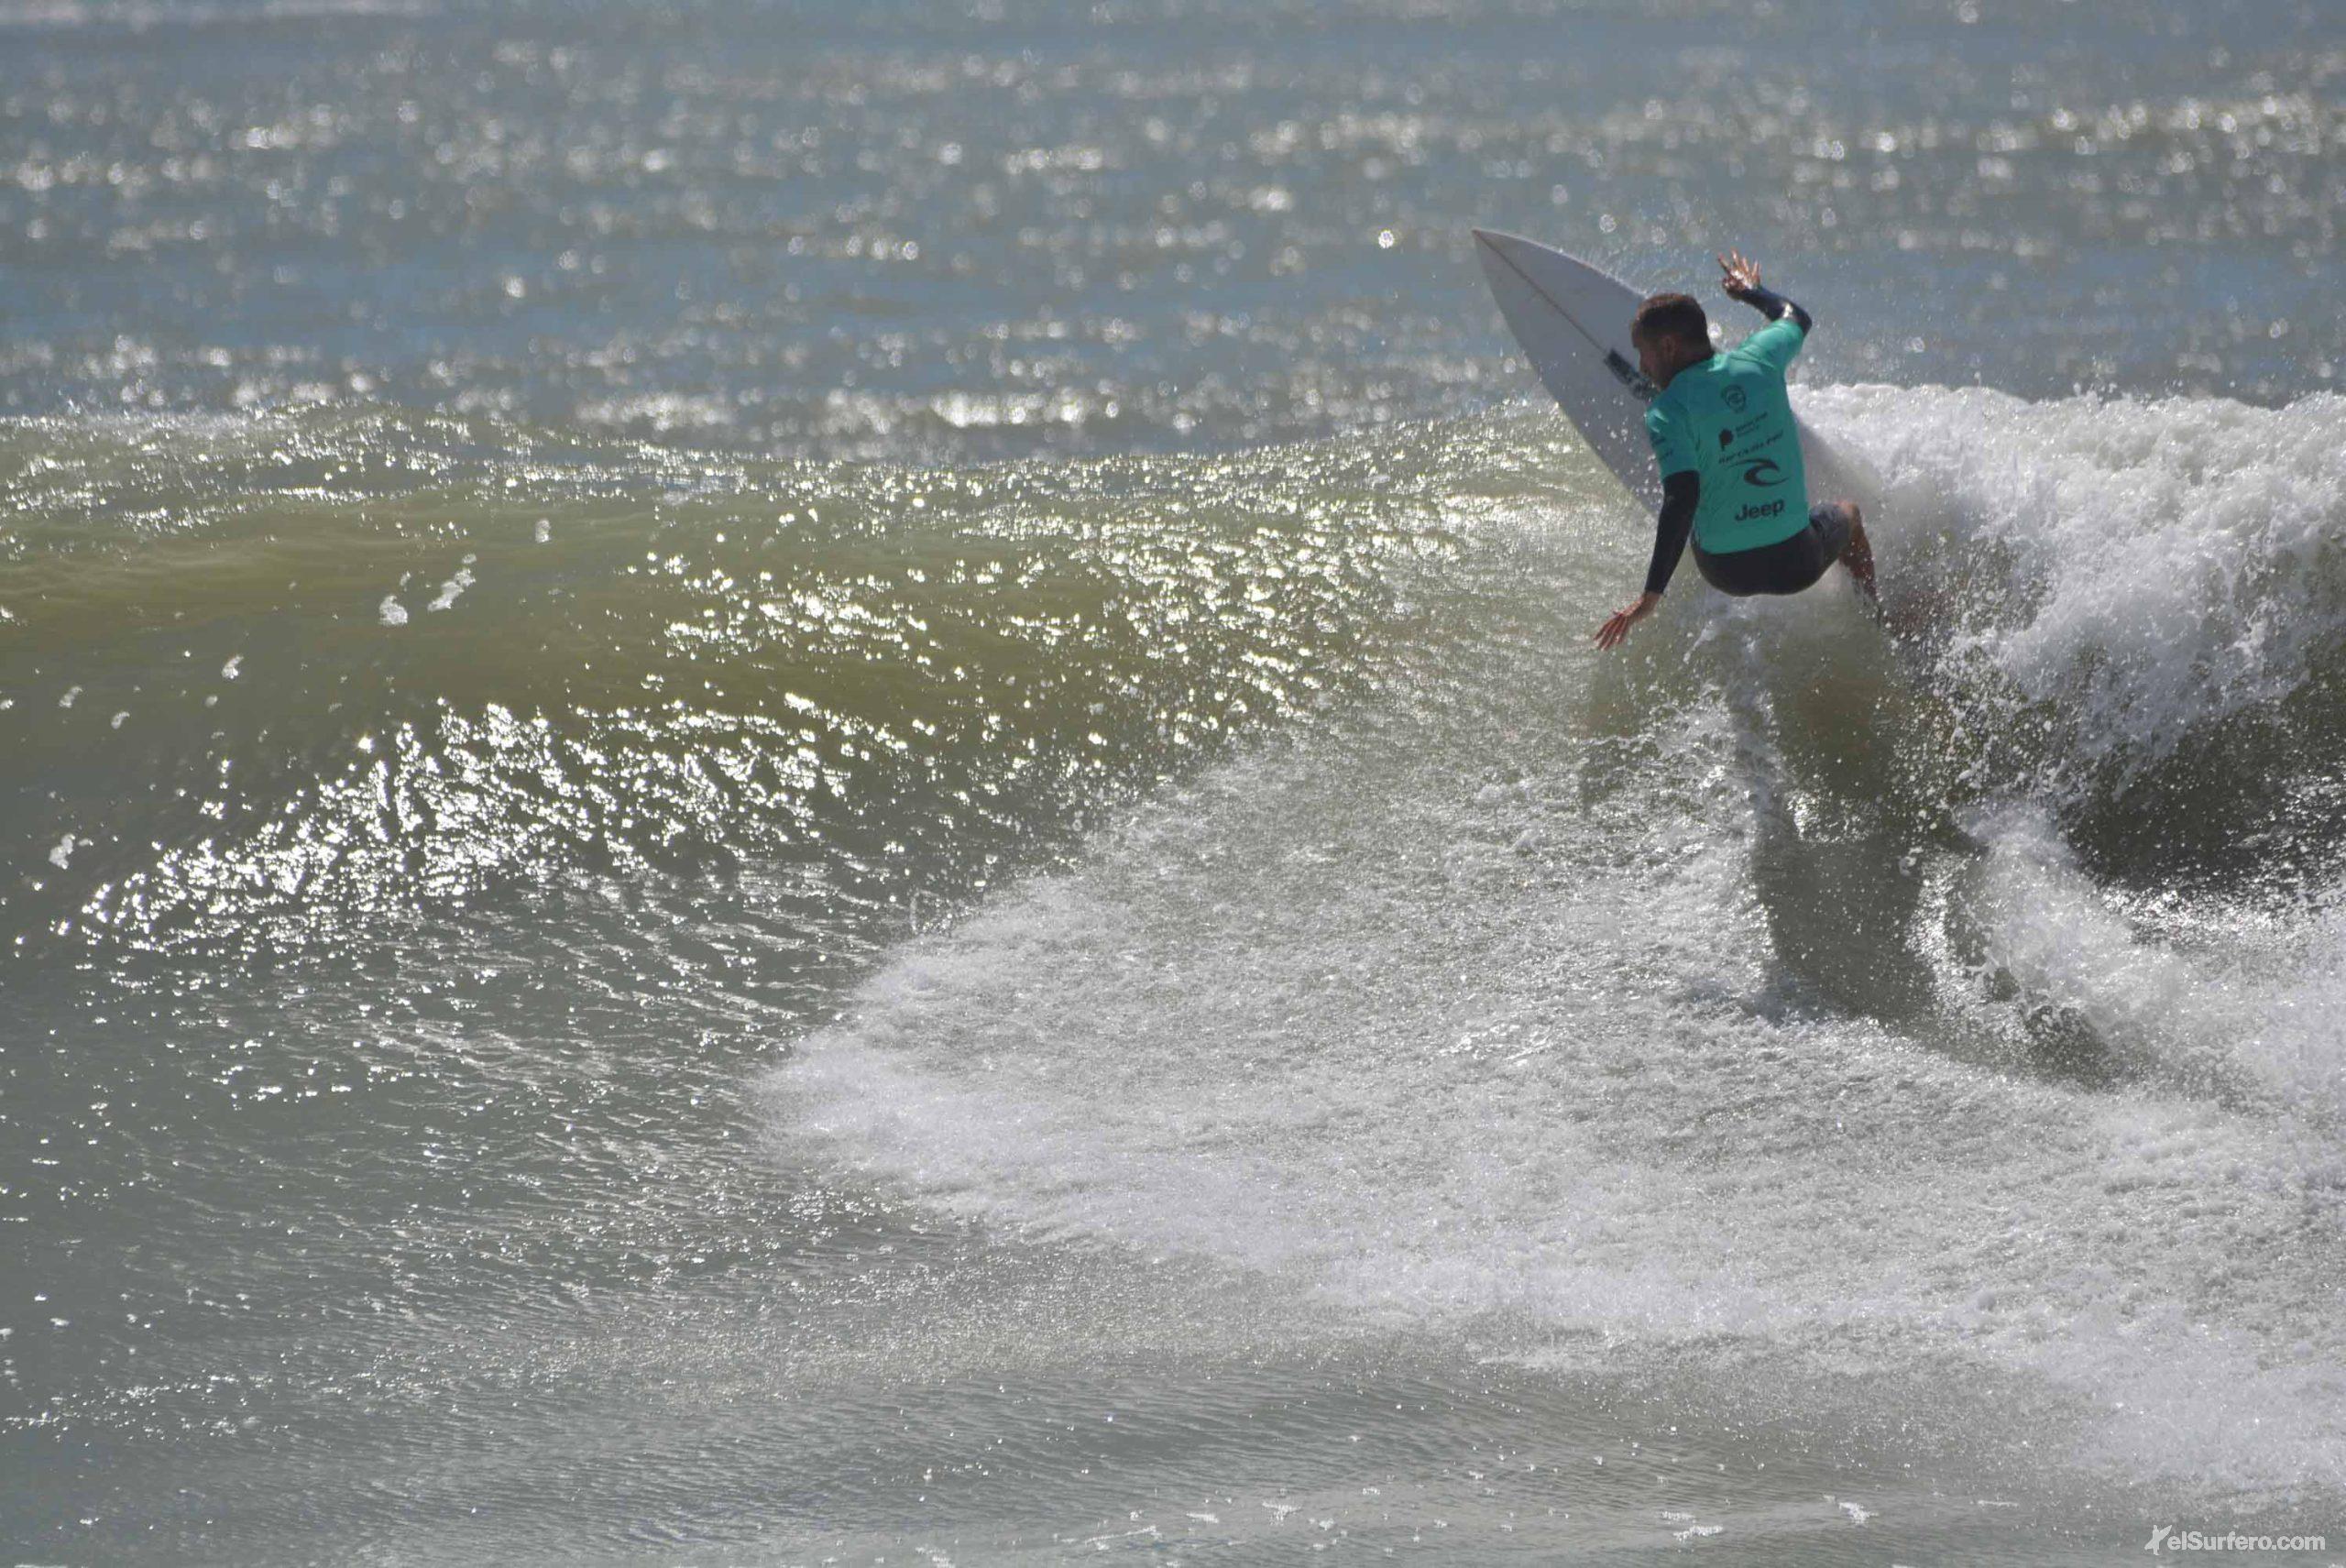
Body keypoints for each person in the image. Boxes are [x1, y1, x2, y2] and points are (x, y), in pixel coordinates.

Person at [1593, 250, 1876, 652]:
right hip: (1798, 563)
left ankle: (1696, 430)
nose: (1639, 363)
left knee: (1692, 465)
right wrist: (1752, 292)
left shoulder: (1664, 413)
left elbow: (1682, 497)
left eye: (1643, 352)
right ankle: (1875, 615)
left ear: (1669, 346)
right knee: (1848, 513)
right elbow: (1796, 317)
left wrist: (1652, 593)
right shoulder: (1761, 360)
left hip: (1725, 570)